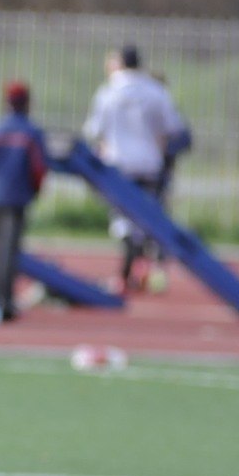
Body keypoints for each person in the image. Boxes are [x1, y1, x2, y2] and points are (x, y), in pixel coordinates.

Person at [82, 44, 187, 293]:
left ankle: (128, 272)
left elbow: (94, 130)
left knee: (123, 220)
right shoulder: (156, 92)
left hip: (117, 165)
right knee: (149, 217)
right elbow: (173, 128)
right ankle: (145, 268)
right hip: (150, 165)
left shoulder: (108, 92)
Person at [0, 80, 48, 321]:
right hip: (17, 196)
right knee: (9, 250)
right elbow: (39, 168)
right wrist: (35, 191)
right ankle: (5, 300)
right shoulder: (31, 132)